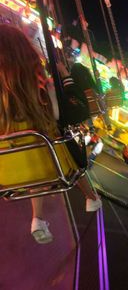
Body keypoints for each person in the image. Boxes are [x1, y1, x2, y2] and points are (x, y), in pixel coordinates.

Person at [0, 25, 101, 244]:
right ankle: (90, 197)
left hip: (6, 172)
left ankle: (39, 218)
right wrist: (64, 78)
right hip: (48, 162)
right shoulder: (40, 86)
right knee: (61, 136)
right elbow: (58, 113)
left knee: (32, 159)